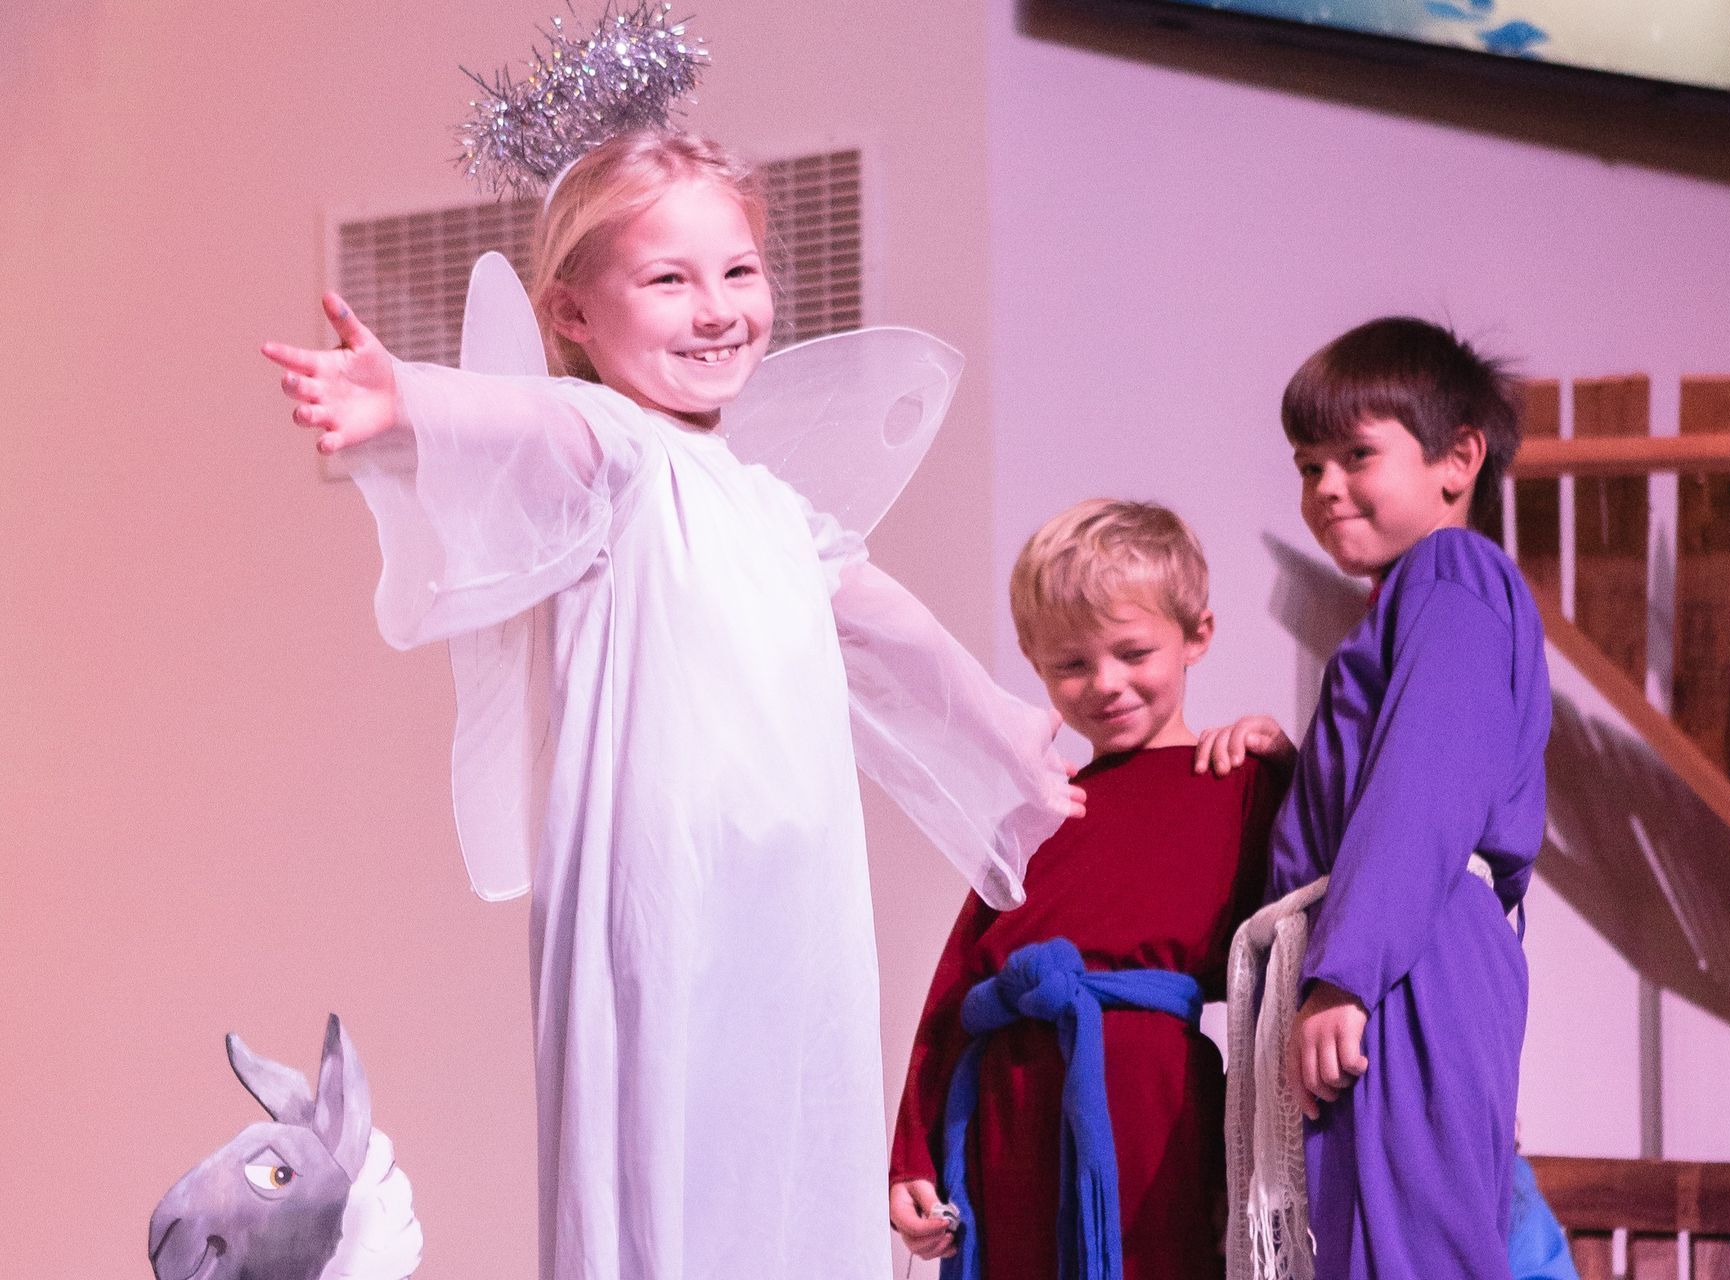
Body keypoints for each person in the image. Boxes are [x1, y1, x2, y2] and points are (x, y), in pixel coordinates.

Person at [261, 130, 1077, 1280]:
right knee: (663, 1148)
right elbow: (522, 422)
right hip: (664, 881)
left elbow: (881, 618)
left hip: (792, 891)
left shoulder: (766, 506)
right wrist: (408, 401)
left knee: (791, 1136)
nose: (718, 308)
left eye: (739, 271)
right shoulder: (613, 446)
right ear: (573, 316)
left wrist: (1000, 722)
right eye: (668, 278)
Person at [887, 499, 1292, 1280]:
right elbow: (953, 993)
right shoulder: (1037, 811)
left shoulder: (1239, 783)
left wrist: (1290, 760)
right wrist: (913, 1153)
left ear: (1196, 636)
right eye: (1072, 664)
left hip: (1154, 1123)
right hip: (1005, 1128)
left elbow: (1314, 915)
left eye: (1133, 651)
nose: (1106, 684)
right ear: (1038, 668)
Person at [1238, 316, 1552, 1280]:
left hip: (1408, 952)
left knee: (1404, 1249)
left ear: (1460, 460)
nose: (1325, 487)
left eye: (1355, 455)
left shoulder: (1452, 573)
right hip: (1400, 941)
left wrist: (1347, 972)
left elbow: (1427, 784)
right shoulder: (1418, 597)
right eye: (1306, 465)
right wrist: (1291, 772)